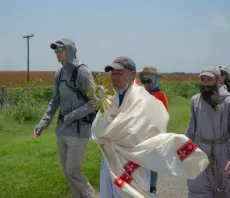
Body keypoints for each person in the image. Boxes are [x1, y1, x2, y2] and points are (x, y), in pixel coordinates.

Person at [91, 56, 210, 198]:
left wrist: (116, 134)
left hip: (134, 162)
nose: (115, 77)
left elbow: (146, 132)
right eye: (113, 73)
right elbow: (99, 131)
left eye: (119, 72)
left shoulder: (145, 101)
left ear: (132, 74)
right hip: (110, 160)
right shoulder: (110, 98)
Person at [34, 38, 96, 198]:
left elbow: (96, 102)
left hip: (79, 131)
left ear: (69, 50)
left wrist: (72, 116)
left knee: (73, 170)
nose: (57, 53)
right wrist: (43, 123)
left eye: (60, 50)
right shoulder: (59, 74)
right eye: (55, 51)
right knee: (68, 173)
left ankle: (90, 195)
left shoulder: (83, 72)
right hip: (62, 131)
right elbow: (55, 101)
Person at [185, 66, 230, 198]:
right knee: (197, 190)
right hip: (199, 152)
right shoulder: (195, 100)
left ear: (218, 80)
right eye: (203, 80)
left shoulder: (228, 101)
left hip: (223, 152)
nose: (205, 84)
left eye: (209, 80)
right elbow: (191, 129)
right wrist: (182, 149)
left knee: (224, 191)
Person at [138, 66, 169, 194]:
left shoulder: (160, 96)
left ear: (155, 80)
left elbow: (162, 117)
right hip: (140, 133)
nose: (146, 85)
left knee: (153, 162)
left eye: (149, 82)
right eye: (144, 81)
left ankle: (152, 187)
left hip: (154, 134)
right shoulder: (141, 94)